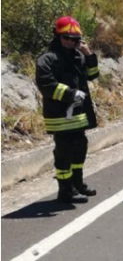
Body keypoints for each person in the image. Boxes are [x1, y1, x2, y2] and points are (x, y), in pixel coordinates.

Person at [36, 16, 100, 203]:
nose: (71, 42)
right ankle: (65, 190)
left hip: (78, 115)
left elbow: (93, 75)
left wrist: (89, 56)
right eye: (66, 38)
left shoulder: (78, 56)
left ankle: (77, 184)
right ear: (57, 36)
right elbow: (46, 84)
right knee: (64, 151)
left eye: (75, 39)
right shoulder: (47, 59)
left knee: (80, 148)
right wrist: (70, 94)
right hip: (60, 115)